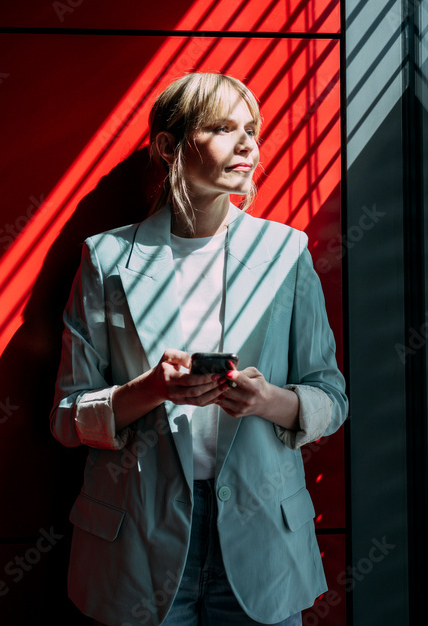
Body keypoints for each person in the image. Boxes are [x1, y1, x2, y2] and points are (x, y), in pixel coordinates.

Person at [51, 72, 348, 625]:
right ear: (168, 146)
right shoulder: (106, 259)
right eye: (221, 128)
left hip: (264, 540)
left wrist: (267, 401)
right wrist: (150, 391)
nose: (247, 144)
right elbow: (68, 419)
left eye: (251, 129)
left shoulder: (286, 254)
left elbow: (331, 397)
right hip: (137, 539)